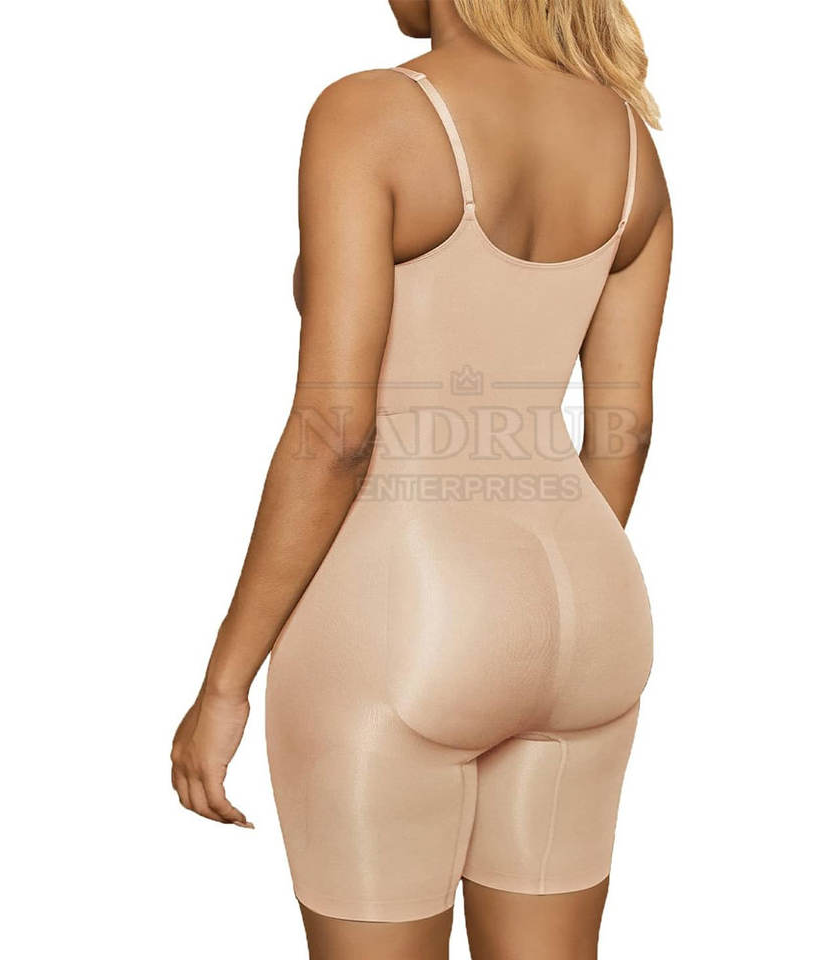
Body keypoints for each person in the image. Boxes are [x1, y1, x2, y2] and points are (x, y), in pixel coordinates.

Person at [171, 1, 672, 956]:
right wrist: (534, 611)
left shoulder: (371, 114)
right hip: (593, 610)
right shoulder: (629, 145)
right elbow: (628, 427)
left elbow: (335, 431)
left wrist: (225, 683)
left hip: (404, 614)